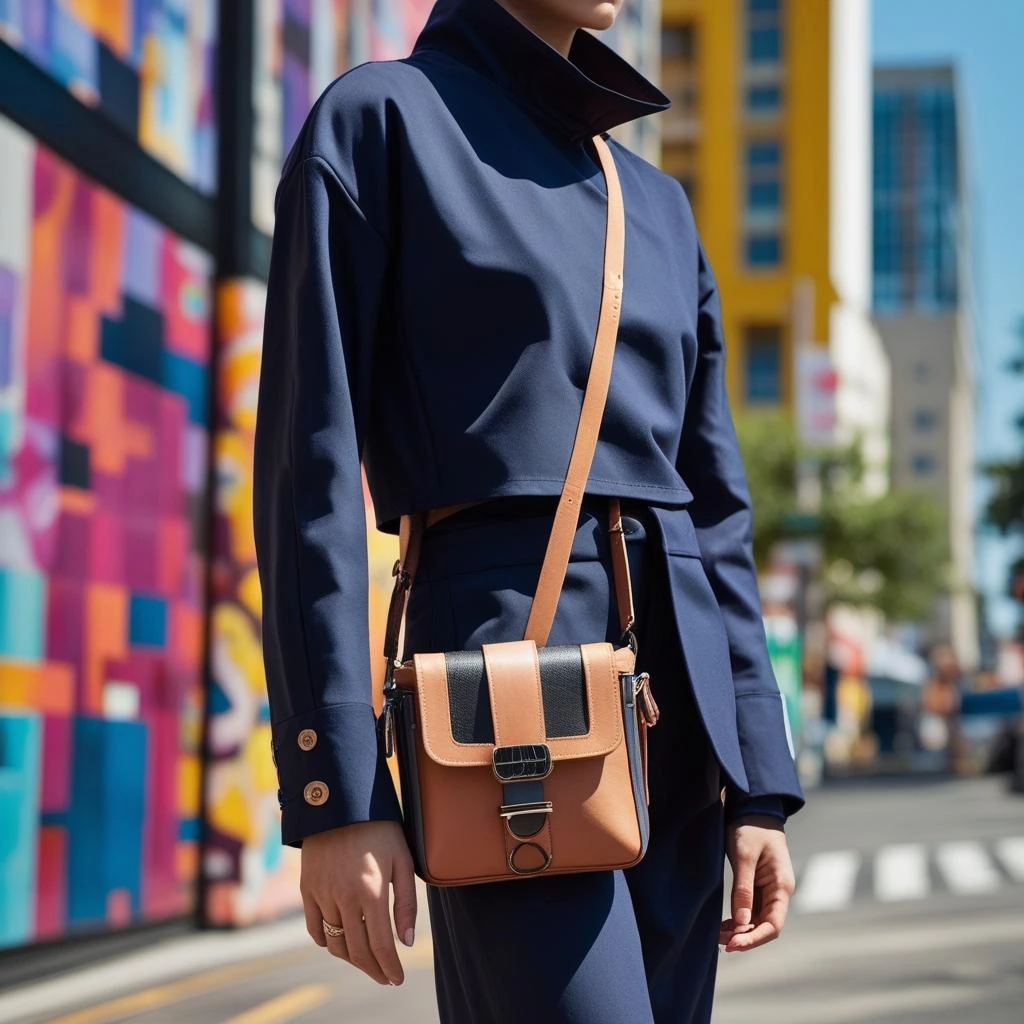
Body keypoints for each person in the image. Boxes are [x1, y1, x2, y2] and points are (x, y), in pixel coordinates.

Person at [252, 0, 804, 1020]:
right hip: (508, 688)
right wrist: (335, 787)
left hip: (681, 710)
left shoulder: (655, 202)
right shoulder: (382, 120)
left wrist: (759, 781)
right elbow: (307, 474)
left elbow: (715, 512)